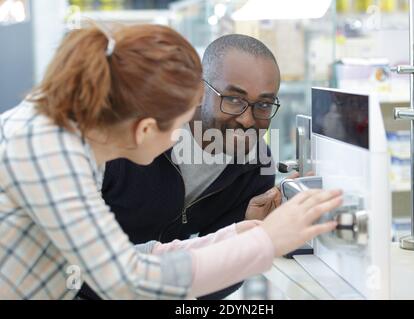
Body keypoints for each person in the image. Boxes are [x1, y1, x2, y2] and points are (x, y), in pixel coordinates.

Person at [0, 24, 342, 300]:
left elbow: (139, 257)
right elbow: (125, 281)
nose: (182, 138)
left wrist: (240, 234)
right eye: (179, 125)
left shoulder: (77, 141)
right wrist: (265, 242)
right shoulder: (51, 147)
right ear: (146, 128)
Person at [79, 34, 292, 300]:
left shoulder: (256, 166)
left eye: (263, 105)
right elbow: (76, 264)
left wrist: (247, 234)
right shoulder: (136, 135)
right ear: (201, 91)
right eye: (234, 100)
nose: (248, 120)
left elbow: (213, 284)